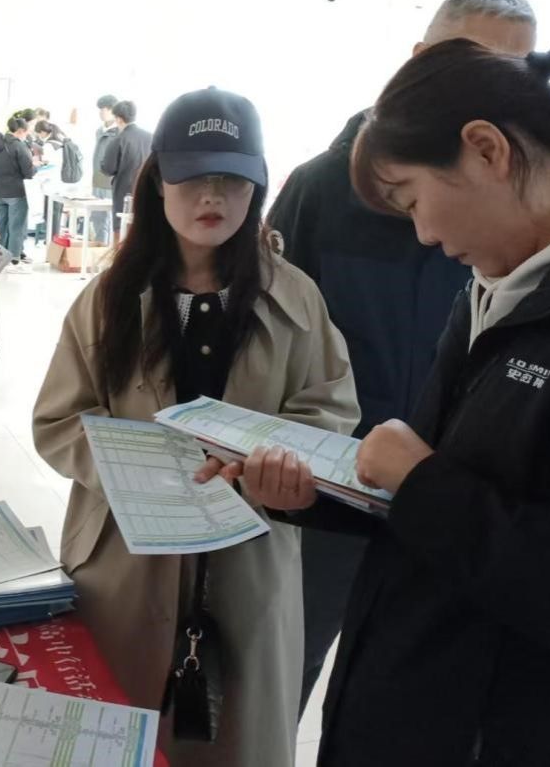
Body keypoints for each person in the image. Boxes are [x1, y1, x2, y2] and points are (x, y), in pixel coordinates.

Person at [206, 40, 550, 766]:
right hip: (416, 712)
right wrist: (315, 495)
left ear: (486, 150)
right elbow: (458, 500)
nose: (423, 233)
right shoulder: (500, 288)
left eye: (413, 198)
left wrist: (422, 483)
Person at [33, 88, 360, 766]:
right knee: (119, 738)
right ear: (158, 183)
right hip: (125, 560)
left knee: (237, 739)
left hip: (249, 556)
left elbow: (329, 409)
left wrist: (278, 464)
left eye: (232, 179)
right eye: (193, 177)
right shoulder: (109, 298)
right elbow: (59, 419)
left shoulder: (295, 295)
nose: (213, 196)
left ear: (258, 186)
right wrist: (137, 467)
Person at [266, 0, 537, 713]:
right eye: (473, 65)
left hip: (449, 500)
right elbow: (267, 337)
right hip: (328, 491)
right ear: (420, 60)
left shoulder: (517, 217)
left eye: (518, 76)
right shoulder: (321, 191)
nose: (494, 97)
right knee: (285, 669)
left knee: (409, 689)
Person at [100, 99, 151, 241]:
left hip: (124, 192)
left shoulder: (119, 140)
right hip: (147, 190)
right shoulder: (151, 137)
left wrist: (102, 163)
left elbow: (108, 168)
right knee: (143, 229)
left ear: (118, 118)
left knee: (121, 231)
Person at [0, 115, 35, 271]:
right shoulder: (18, 146)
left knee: (0, 227)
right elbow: (28, 171)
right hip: (15, 191)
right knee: (16, 226)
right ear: (21, 131)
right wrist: (36, 166)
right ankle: (14, 259)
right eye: (27, 132)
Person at [90, 93, 118, 243]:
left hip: (111, 179)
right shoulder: (99, 130)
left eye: (103, 109)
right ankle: (100, 247)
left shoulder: (119, 132)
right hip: (97, 179)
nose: (101, 113)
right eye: (100, 109)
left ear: (113, 110)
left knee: (110, 217)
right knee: (97, 216)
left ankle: (110, 248)